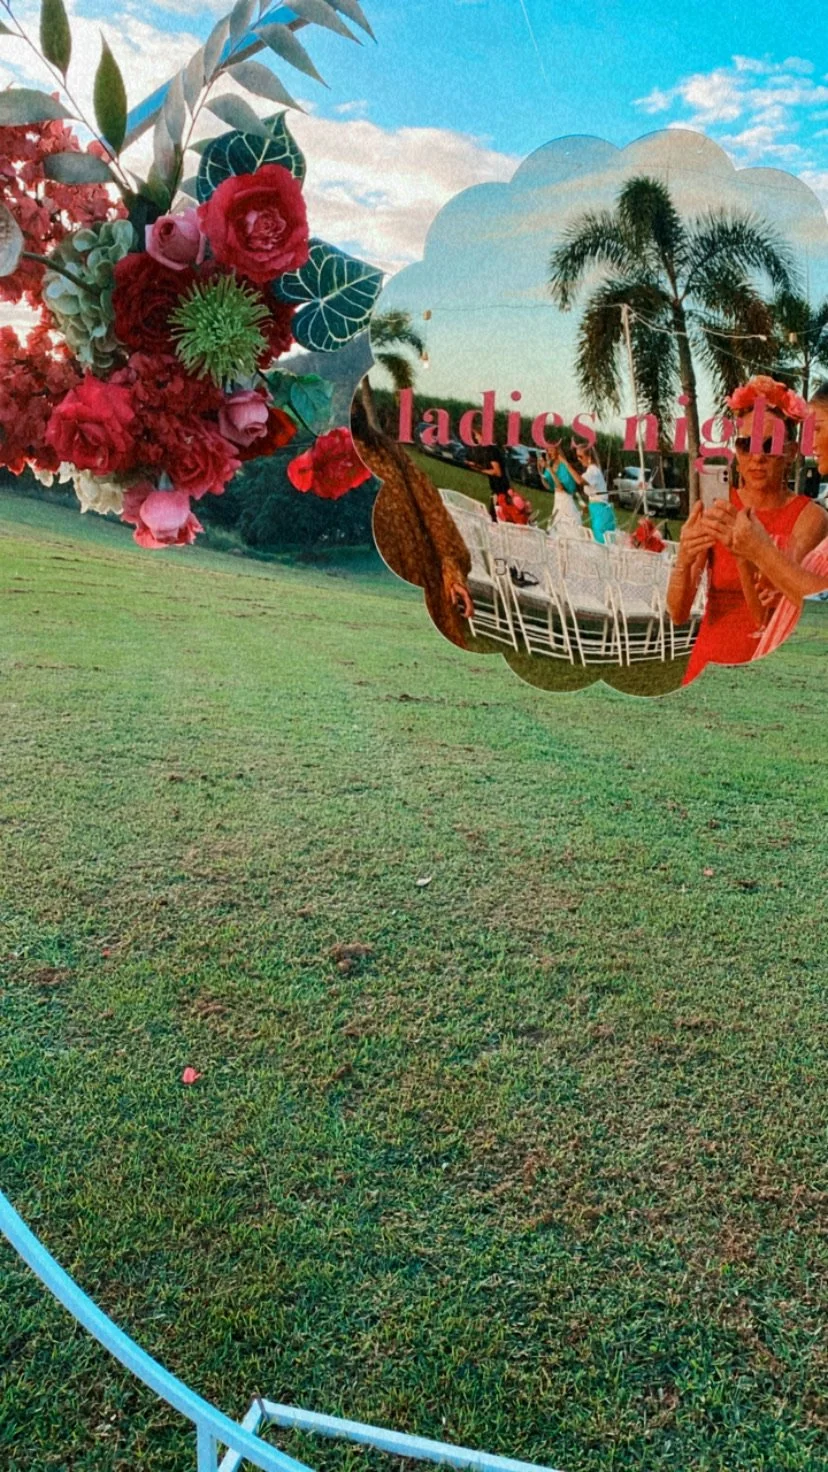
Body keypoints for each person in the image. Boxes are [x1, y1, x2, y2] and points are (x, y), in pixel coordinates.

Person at [667, 375, 828, 686]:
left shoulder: (810, 518)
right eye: (746, 444)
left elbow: (775, 611)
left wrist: (750, 553)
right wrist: (684, 560)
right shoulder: (717, 507)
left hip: (768, 669)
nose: (757, 456)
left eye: (771, 444)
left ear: (792, 451)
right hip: (709, 665)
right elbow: (677, 613)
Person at [351, 401, 474, 649]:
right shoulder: (322, 453)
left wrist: (452, 574)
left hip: (416, 575)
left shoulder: (387, 451)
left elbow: (432, 512)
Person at [728, 381, 828, 658]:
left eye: (817, 429)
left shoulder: (812, 517)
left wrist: (761, 552)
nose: (812, 442)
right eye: (746, 445)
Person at [540, 441, 586, 536]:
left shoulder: (564, 466)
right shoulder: (551, 465)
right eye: (548, 450)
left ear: (557, 450)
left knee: (569, 528)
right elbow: (546, 485)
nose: (549, 452)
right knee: (555, 526)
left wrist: (549, 469)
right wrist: (541, 470)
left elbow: (561, 487)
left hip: (565, 500)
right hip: (557, 499)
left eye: (551, 450)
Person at [574, 444, 618, 544]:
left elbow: (580, 481)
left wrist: (566, 464)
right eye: (577, 457)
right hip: (597, 510)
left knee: (602, 544)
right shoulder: (592, 470)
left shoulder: (593, 471)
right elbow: (595, 495)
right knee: (599, 542)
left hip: (601, 513)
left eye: (580, 456)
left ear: (589, 457)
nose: (579, 459)